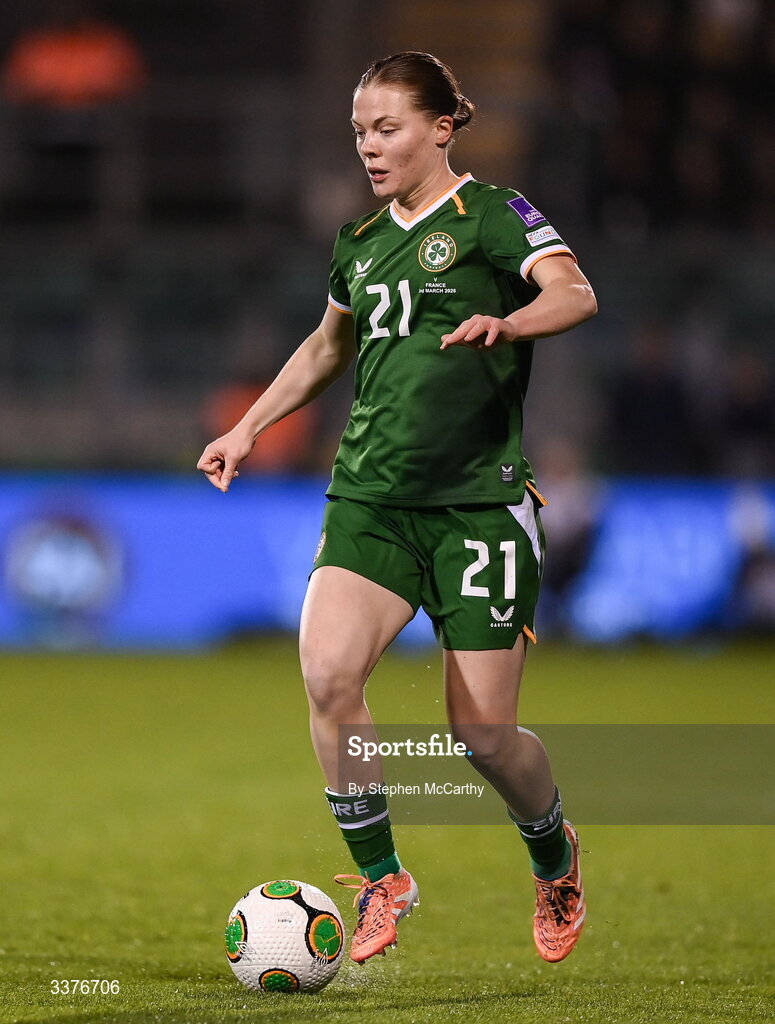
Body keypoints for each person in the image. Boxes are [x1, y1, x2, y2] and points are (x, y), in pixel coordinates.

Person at [198, 51, 597, 966]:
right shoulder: (361, 241)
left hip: (477, 510)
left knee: (482, 736)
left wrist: (510, 321)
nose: (369, 148)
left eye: (386, 129)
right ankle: (382, 875)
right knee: (329, 676)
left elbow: (573, 293)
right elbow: (325, 346)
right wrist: (251, 427)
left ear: (441, 128)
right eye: (358, 133)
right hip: (371, 497)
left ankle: (553, 851)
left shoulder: (495, 216)